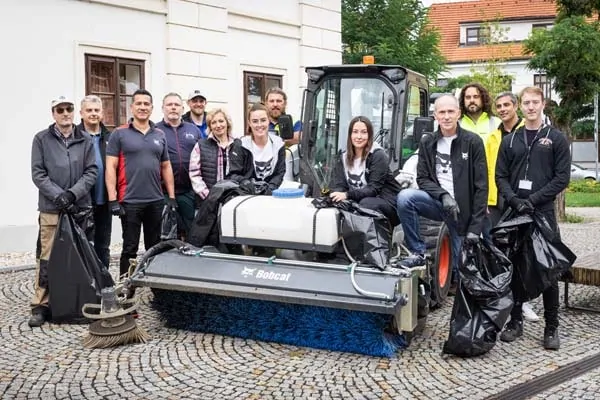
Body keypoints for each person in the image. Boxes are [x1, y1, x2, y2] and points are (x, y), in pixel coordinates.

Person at [496, 86, 571, 349]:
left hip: (542, 212)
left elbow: (562, 177)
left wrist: (533, 200)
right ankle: (515, 321)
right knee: (515, 266)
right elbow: (500, 176)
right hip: (516, 213)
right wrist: (516, 201)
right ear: (520, 105)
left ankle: (552, 327)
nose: (530, 107)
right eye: (526, 102)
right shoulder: (511, 140)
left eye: (534, 102)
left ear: (542, 104)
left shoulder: (556, 139)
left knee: (548, 268)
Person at [396, 94, 488, 279]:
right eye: (442, 112)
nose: (446, 116)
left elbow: (481, 186)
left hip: (464, 212)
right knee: (405, 197)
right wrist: (443, 196)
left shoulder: (473, 142)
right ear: (435, 116)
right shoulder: (427, 142)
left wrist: (475, 228)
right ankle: (418, 253)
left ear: (459, 114)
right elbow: (422, 178)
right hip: (439, 205)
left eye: (450, 111)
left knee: (462, 271)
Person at [29, 96, 98, 327]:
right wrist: (59, 196)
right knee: (47, 257)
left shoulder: (85, 139)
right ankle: (41, 304)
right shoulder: (41, 139)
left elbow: (91, 172)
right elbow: (38, 174)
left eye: (69, 108)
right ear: (53, 113)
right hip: (51, 209)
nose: (65, 113)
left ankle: (79, 302)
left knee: (81, 257)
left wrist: (72, 195)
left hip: (79, 208)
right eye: (60, 109)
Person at [105, 89, 177, 278]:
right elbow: (110, 167)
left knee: (154, 247)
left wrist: (171, 197)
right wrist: (112, 200)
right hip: (130, 201)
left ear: (152, 108)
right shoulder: (119, 134)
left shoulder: (159, 134)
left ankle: (154, 285)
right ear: (132, 107)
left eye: (146, 104)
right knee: (130, 248)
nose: (143, 107)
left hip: (155, 200)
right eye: (139, 103)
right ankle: (125, 289)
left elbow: (166, 166)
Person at [489, 91, 539, 322]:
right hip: (499, 199)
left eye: (506, 105)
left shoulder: (527, 131)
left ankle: (525, 301)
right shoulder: (494, 136)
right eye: (498, 106)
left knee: (527, 254)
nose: (502, 109)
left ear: (515, 106)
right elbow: (492, 170)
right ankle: (508, 304)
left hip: (524, 201)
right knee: (503, 254)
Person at [330, 116, 401, 225]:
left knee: (366, 204)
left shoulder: (378, 155)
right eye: (355, 132)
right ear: (350, 135)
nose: (359, 136)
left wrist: (347, 195)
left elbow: (373, 189)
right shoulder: (343, 157)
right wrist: (337, 194)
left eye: (363, 132)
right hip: (358, 199)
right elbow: (339, 184)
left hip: (386, 202)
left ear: (369, 135)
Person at [156, 93, 201, 239]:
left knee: (191, 230)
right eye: (169, 105)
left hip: (188, 191)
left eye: (176, 105)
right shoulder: (155, 131)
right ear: (163, 108)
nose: (173, 108)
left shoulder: (193, 130)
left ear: (182, 108)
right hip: (162, 193)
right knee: (165, 234)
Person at [77, 95, 112, 268]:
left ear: (102, 113)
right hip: (81, 203)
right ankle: (84, 286)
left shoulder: (110, 137)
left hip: (104, 201)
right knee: (82, 246)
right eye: (89, 110)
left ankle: (103, 283)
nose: (93, 114)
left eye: (96, 110)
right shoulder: (74, 137)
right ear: (81, 113)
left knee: (103, 246)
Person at [230, 102, 286, 194]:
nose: (259, 125)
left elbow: (280, 173)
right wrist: (246, 183)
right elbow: (233, 174)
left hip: (271, 195)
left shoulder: (278, 144)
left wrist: (270, 188)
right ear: (249, 123)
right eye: (255, 121)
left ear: (269, 120)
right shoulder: (240, 145)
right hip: (246, 195)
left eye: (263, 120)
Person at [189, 108, 242, 200]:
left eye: (221, 121)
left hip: (234, 199)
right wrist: (210, 197)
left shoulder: (238, 144)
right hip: (208, 201)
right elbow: (194, 174)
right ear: (210, 126)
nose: (218, 125)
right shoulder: (201, 145)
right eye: (213, 122)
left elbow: (244, 173)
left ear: (227, 123)